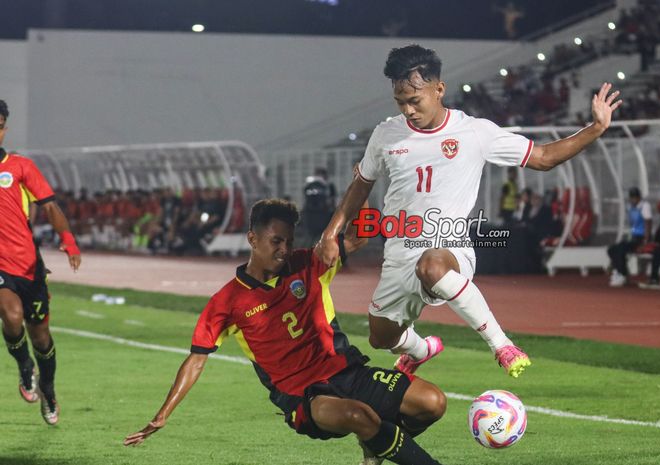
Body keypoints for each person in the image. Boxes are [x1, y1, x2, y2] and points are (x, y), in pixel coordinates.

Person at [316, 44, 622, 378]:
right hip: (398, 253)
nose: (408, 110)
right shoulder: (386, 134)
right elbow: (362, 182)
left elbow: (544, 158)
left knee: (431, 265)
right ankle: (422, 349)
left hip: (449, 249)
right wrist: (332, 233)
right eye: (400, 101)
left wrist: (595, 128)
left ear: (439, 89)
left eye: (414, 100)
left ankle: (502, 344)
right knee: (381, 337)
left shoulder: (475, 132)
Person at [124, 199, 447, 465]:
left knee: (432, 402)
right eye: (276, 241)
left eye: (289, 241)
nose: (284, 249)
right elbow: (196, 361)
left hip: (348, 372)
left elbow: (356, 237)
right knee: (358, 415)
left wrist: (364, 188)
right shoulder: (227, 301)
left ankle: (375, 448)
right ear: (253, 239)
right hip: (302, 396)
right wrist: (163, 415)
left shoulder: (309, 263)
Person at [0, 99, 82, 425]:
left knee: (42, 338)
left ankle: (47, 389)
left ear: (4, 128)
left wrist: (69, 241)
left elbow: (49, 206)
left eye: (0, 124)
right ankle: (24, 366)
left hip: (29, 267)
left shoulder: (20, 167)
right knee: (10, 313)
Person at [607, 187, 652, 287]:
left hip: (642, 238)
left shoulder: (645, 206)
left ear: (639, 197)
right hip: (634, 237)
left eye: (635, 197)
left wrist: (646, 240)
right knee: (612, 249)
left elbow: (648, 222)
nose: (633, 200)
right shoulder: (630, 207)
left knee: (621, 249)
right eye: (632, 198)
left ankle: (621, 274)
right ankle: (620, 271)